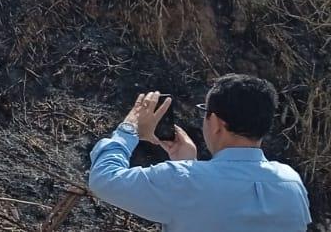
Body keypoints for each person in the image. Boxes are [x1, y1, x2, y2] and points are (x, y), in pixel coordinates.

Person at [88, 74, 312, 231]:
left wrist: (129, 129)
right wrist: (189, 164)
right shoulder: (292, 183)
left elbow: (104, 180)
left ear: (215, 122)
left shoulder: (184, 180)